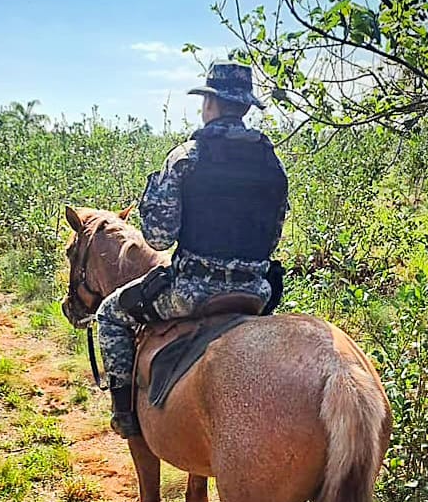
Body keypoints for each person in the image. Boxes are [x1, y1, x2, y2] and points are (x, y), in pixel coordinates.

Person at [97, 61, 290, 437]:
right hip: (255, 293)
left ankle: (125, 416)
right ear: (246, 107)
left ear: (210, 104)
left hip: (191, 293)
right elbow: (273, 236)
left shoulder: (187, 156)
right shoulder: (272, 163)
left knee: (110, 314)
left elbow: (157, 238)